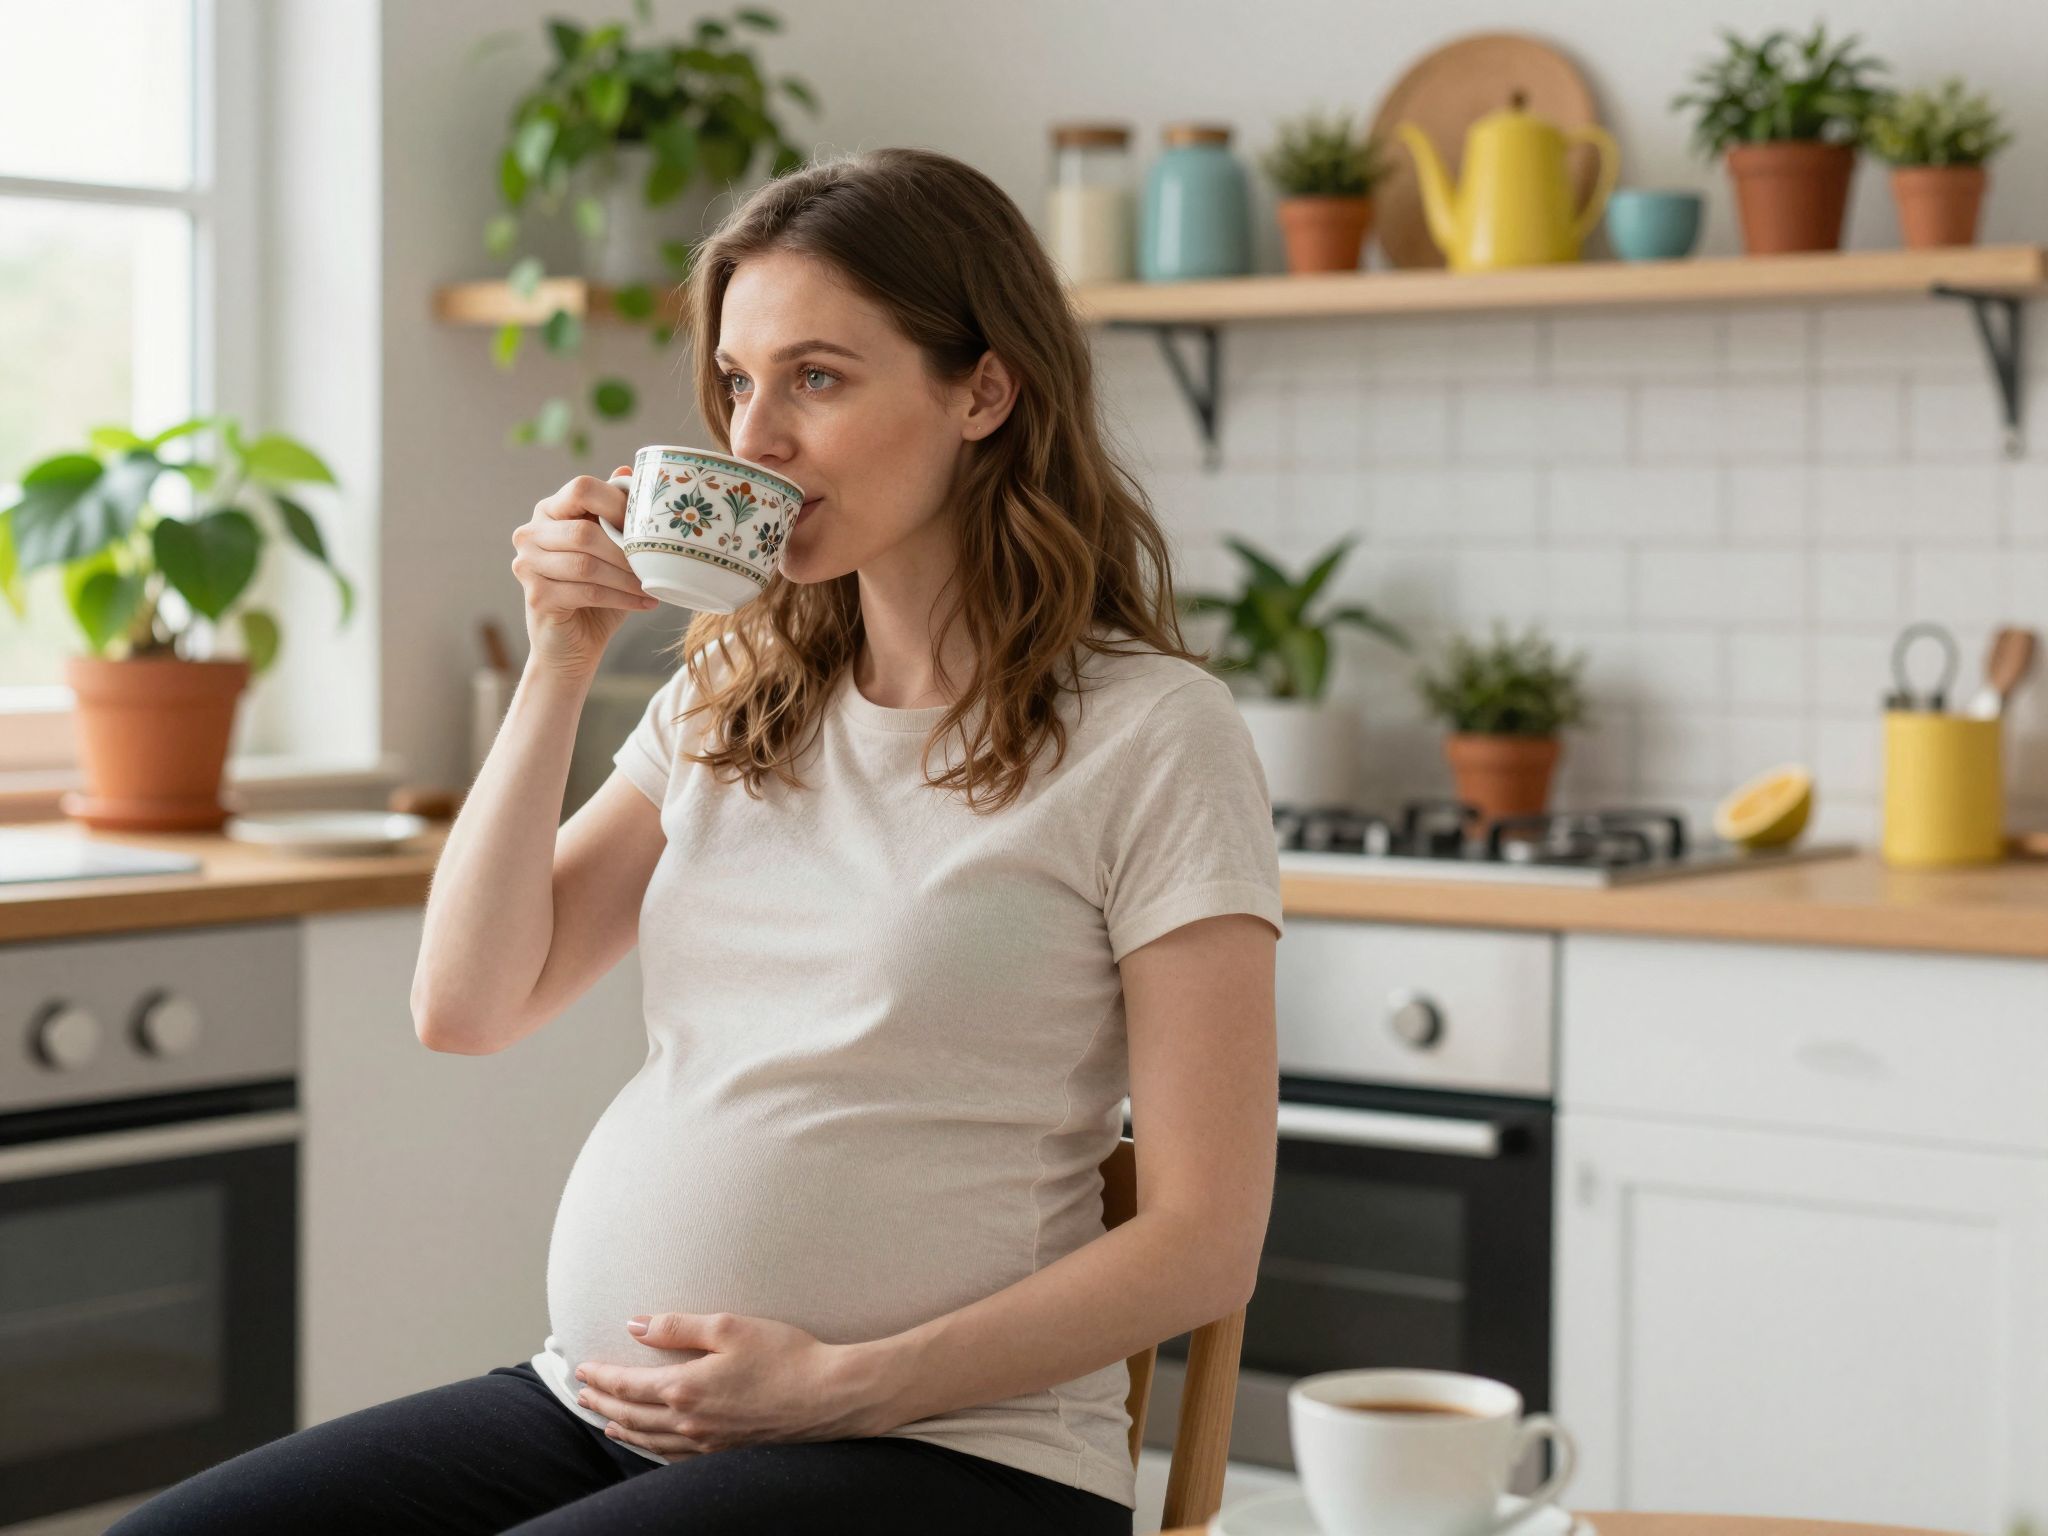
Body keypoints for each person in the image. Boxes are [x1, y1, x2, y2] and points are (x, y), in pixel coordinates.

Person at [110, 144, 1282, 1535]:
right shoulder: (737, 691)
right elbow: (468, 1004)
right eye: (736, 381)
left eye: (817, 378)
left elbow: (1206, 1241)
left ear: (984, 390)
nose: (755, 438)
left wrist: (843, 1387)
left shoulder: (1152, 734)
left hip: (955, 1452)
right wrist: (560, 658)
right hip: (603, 1410)